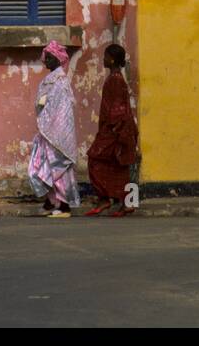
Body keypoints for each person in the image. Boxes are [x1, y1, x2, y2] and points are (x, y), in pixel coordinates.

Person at [28, 40, 80, 218]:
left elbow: (61, 109)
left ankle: (64, 206)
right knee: (42, 167)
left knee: (58, 169)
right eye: (45, 58)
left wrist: (45, 108)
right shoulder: (49, 80)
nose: (46, 61)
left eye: (49, 58)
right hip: (46, 132)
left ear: (58, 59)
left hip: (57, 134)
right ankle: (51, 201)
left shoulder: (60, 82)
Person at [85, 43, 138, 217]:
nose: (103, 59)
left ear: (112, 59)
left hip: (115, 130)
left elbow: (117, 109)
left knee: (95, 158)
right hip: (118, 129)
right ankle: (126, 202)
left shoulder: (115, 80)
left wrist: (113, 130)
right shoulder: (116, 78)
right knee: (119, 166)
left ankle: (106, 199)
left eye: (106, 56)